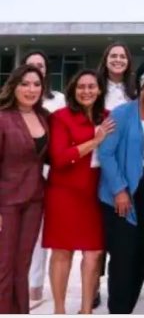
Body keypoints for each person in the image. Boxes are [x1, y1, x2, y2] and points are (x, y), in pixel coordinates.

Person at [97, 61, 144, 313]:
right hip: (122, 194)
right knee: (122, 259)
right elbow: (106, 153)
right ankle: (118, 310)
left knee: (140, 261)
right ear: (141, 86)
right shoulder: (122, 113)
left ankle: (126, 309)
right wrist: (119, 190)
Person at [44, 70, 113, 314]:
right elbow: (60, 158)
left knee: (94, 253)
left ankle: (86, 310)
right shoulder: (61, 117)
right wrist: (94, 141)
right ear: (73, 90)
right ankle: (60, 310)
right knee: (63, 251)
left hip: (95, 195)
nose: (86, 91)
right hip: (65, 193)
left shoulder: (107, 117)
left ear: (99, 90)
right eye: (81, 87)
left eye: (91, 86)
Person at [0, 65, 49, 314]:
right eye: (25, 83)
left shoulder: (43, 116)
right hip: (5, 203)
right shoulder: (2, 117)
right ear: (14, 86)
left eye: (36, 84)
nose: (31, 89)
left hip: (34, 200)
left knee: (23, 265)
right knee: (4, 267)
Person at [21, 50, 64, 304]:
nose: (37, 68)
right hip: (19, 176)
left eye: (41, 65)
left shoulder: (58, 100)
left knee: (41, 233)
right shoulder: (13, 103)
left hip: (51, 173)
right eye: (32, 65)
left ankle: (35, 286)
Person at [97, 42, 136, 110]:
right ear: (105, 60)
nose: (118, 60)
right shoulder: (96, 86)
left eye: (123, 57)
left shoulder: (137, 87)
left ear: (128, 62)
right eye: (113, 56)